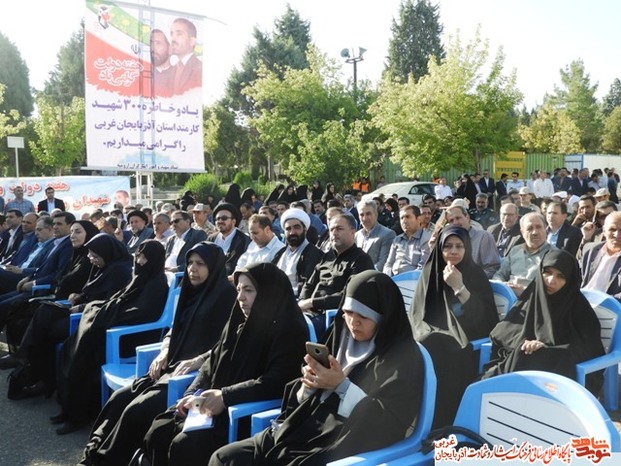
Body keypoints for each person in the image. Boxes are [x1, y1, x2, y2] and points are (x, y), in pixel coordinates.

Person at [210, 270, 424, 465]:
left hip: (343, 441)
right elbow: (299, 403)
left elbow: (389, 423)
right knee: (224, 458)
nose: (353, 323)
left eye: (363, 316)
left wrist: (341, 386)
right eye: (349, 313)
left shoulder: (402, 358)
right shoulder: (340, 336)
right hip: (303, 428)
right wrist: (309, 385)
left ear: (383, 318)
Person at [79, 242, 236, 466]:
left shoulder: (227, 298)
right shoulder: (190, 292)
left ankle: (107, 461)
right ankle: (94, 453)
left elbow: (228, 343)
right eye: (190, 263)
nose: (193, 269)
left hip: (193, 375)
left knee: (136, 410)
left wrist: (197, 360)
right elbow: (174, 330)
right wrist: (164, 351)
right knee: (119, 399)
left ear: (214, 266)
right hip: (169, 365)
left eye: (200, 264)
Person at [141, 263, 308, 465]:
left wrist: (226, 396)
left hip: (242, 414)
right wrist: (192, 395)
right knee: (160, 429)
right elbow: (211, 363)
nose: (240, 298)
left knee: (185, 444)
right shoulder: (238, 321)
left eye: (248, 290)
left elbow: (275, 382)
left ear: (268, 293)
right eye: (238, 290)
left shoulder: (290, 330)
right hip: (209, 407)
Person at [54, 233, 144, 434]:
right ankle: (67, 409)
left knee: (81, 357)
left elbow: (120, 304)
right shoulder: (105, 267)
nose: (91, 259)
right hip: (101, 321)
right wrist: (83, 299)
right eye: (90, 254)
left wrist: (88, 306)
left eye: (95, 255)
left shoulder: (121, 271)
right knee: (68, 350)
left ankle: (78, 415)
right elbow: (99, 294)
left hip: (116, 331)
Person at [410, 225, 498, 428]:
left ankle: (443, 422)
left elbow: (486, 320)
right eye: (448, 246)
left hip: (467, 337)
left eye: (459, 246)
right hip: (430, 331)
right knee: (421, 343)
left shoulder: (475, 275)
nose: (453, 251)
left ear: (467, 248)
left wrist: (459, 287)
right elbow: (417, 313)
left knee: (442, 349)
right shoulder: (431, 271)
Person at [483, 250, 604, 394]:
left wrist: (547, 348)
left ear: (570, 280)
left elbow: (590, 349)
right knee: (524, 353)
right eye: (547, 272)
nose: (551, 280)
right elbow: (502, 334)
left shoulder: (579, 309)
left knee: (532, 355)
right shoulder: (531, 298)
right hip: (517, 364)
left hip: (558, 378)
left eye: (561, 276)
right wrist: (526, 343)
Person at [0, 220, 100, 375]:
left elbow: (86, 289)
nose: (72, 236)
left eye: (78, 232)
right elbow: (60, 278)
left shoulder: (92, 259)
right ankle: (26, 363)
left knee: (31, 315)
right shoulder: (77, 256)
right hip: (57, 297)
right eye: (72, 232)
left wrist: (77, 298)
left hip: (70, 305)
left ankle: (30, 364)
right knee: (19, 312)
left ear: (90, 235)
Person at [272, 208, 323, 296]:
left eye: (296, 227)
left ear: (305, 229)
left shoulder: (314, 254)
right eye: (288, 229)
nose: (292, 232)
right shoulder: (280, 253)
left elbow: (307, 286)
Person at [354, 200, 396, 271]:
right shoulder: (357, 235)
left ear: (376, 214)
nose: (365, 218)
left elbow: (383, 263)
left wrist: (364, 275)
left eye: (368, 214)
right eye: (361, 215)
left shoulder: (388, 234)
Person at [169, 17, 202, 95]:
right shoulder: (173, 69)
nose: (173, 39)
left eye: (179, 34)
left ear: (192, 41)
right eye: (172, 34)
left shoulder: (199, 68)